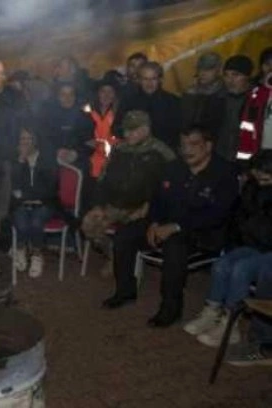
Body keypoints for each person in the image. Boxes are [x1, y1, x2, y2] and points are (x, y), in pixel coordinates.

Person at [105, 126, 238, 328]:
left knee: (175, 246)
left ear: (208, 146)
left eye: (194, 144)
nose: (187, 150)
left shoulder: (224, 173)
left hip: (203, 233)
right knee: (125, 234)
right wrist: (154, 222)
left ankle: (171, 308)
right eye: (183, 145)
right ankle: (125, 290)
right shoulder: (174, 168)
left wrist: (176, 226)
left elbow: (217, 214)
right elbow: (157, 200)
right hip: (166, 224)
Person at [183, 150, 272, 347]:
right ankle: (212, 311)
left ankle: (231, 323)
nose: (259, 178)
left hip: (267, 250)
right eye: (256, 173)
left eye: (264, 175)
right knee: (222, 265)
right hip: (252, 243)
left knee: (241, 269)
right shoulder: (251, 187)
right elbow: (239, 217)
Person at [83, 111, 175, 284]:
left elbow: (170, 187)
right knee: (89, 224)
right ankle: (114, 256)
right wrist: (98, 204)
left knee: (126, 235)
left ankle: (123, 261)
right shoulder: (118, 149)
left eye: (132, 130)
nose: (127, 134)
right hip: (114, 204)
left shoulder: (161, 152)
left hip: (142, 208)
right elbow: (102, 179)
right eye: (125, 130)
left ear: (145, 129)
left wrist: (149, 206)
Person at [11, 128, 61, 277]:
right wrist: (20, 162)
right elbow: (12, 187)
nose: (25, 142)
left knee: (36, 221)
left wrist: (26, 195)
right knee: (20, 220)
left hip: (45, 202)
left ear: (35, 141)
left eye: (28, 138)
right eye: (22, 139)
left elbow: (51, 186)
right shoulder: (16, 159)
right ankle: (20, 249)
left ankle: (37, 255)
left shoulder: (47, 159)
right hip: (22, 204)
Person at [115, 62, 182, 148]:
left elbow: (179, 131)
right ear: (139, 80)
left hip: (165, 153)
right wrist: (133, 134)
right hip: (135, 153)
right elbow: (116, 128)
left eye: (153, 79)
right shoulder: (129, 102)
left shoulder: (173, 101)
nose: (149, 83)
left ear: (160, 79)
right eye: (145, 79)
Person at [39, 83, 94, 173]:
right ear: (58, 97)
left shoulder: (85, 118)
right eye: (63, 94)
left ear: (75, 96)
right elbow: (42, 139)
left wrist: (76, 153)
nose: (67, 98)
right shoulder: (48, 116)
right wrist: (56, 151)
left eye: (71, 94)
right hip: (52, 165)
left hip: (78, 165)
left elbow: (90, 144)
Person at [214, 55, 254, 162]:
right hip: (220, 158)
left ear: (247, 76)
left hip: (247, 160)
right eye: (226, 75)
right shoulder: (217, 99)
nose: (230, 80)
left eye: (236, 75)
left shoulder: (257, 101)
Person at [238, 52, 271, 161]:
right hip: (259, 156)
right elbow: (247, 127)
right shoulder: (254, 93)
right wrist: (244, 161)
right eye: (267, 64)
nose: (271, 68)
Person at [87, 77, 120, 180]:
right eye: (103, 91)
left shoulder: (120, 114)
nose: (106, 95)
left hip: (112, 164)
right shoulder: (86, 112)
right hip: (88, 163)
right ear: (97, 93)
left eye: (110, 92)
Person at [181, 52, 224, 129]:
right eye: (200, 69)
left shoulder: (225, 92)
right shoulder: (191, 92)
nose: (202, 73)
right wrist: (191, 96)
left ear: (219, 70)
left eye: (208, 69)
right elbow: (185, 121)